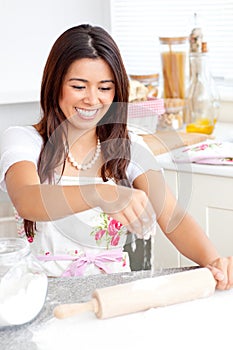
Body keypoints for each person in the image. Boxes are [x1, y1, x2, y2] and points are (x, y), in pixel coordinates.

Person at [0, 24, 232, 288]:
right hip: (41, 293)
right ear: (55, 85)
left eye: (104, 88)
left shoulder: (128, 147)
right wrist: (100, 192)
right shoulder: (23, 140)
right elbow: (27, 199)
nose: (92, 99)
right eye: (78, 86)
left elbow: (173, 218)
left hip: (112, 294)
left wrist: (214, 262)